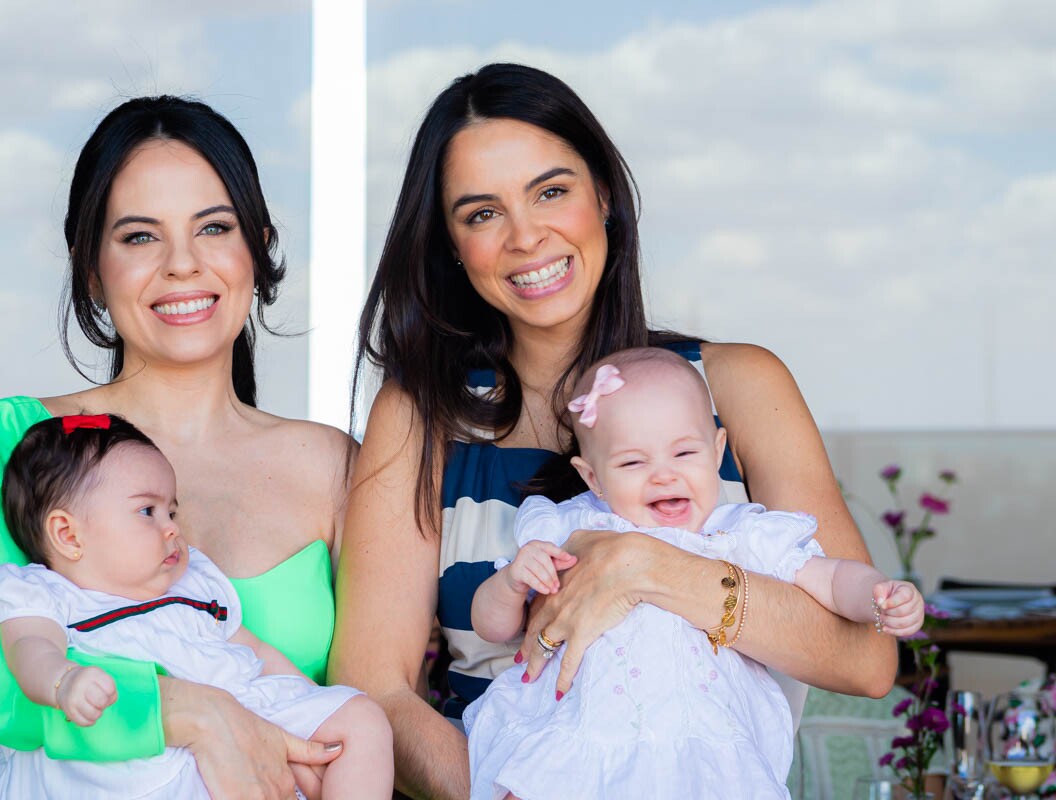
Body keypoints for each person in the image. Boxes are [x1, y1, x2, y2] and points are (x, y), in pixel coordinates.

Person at [330, 63, 899, 799]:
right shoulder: (420, 417)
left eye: (551, 191)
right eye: (482, 213)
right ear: (449, 244)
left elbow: (867, 660)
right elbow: (374, 689)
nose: (526, 236)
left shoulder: (738, 386)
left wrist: (648, 567)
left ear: (604, 194)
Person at [0, 96, 357, 800]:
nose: (182, 264)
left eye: (214, 227)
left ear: (259, 248)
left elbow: (368, 701)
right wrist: (180, 711)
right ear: (91, 268)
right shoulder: (22, 442)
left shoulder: (335, 466)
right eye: (140, 237)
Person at [464, 349, 923, 799]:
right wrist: (511, 583)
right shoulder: (572, 531)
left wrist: (877, 595)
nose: (664, 476)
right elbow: (495, 627)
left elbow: (829, 578)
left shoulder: (741, 535)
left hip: (700, 743)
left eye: (684, 452)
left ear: (717, 449)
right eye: (632, 462)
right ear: (593, 478)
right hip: (581, 734)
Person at [0, 414, 391, 799]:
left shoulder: (196, 581)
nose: (172, 526)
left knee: (363, 720)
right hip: (142, 753)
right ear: (68, 535)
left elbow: (257, 652)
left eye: (172, 509)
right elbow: (30, 647)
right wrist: (63, 682)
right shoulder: (43, 592)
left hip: (245, 709)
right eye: (147, 510)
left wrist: (311, 706)